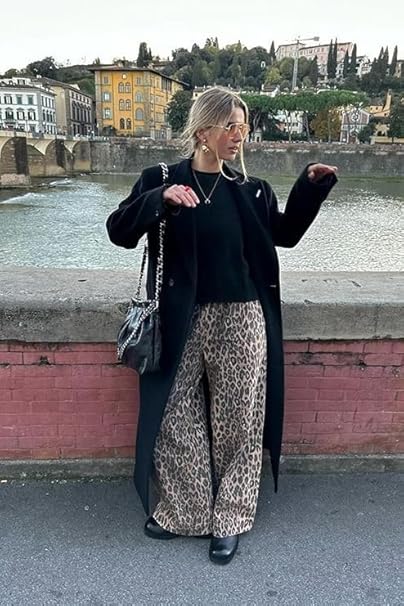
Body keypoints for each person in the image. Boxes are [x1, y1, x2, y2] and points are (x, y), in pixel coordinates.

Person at [106, 86, 337, 565]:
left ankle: (230, 517)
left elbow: (286, 234)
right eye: (230, 126)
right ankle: (187, 511)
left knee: (239, 421)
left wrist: (311, 187)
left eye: (243, 127)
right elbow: (119, 231)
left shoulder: (249, 190)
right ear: (203, 129)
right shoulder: (162, 177)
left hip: (241, 317)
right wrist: (159, 200)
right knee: (172, 413)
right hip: (178, 316)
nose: (239, 136)